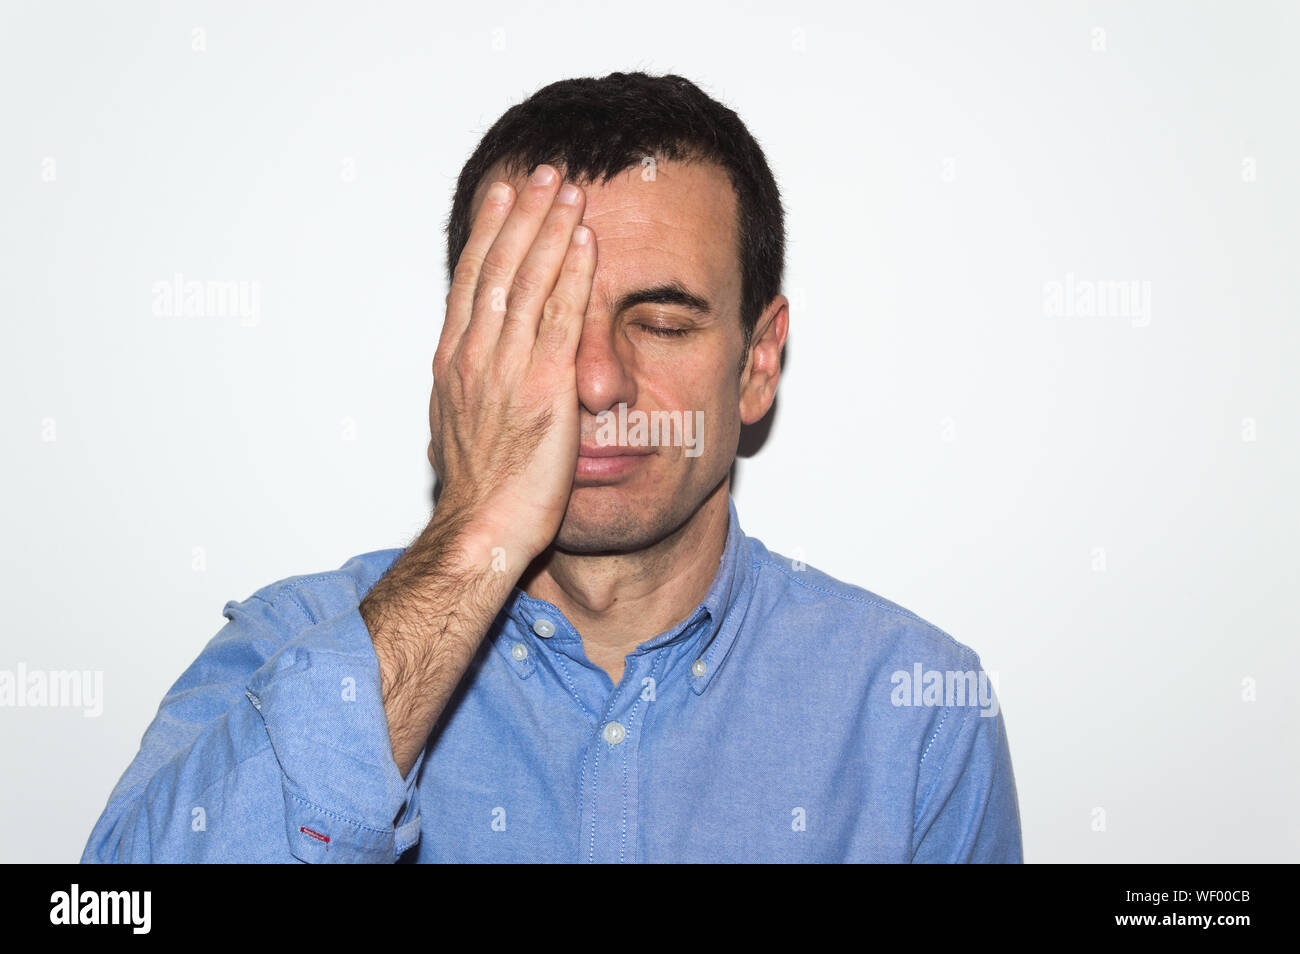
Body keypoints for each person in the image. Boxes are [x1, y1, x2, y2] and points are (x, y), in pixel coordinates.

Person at [83, 72, 1022, 863]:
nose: (600, 379)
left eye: (660, 322)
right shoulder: (297, 647)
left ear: (759, 360)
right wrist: (476, 535)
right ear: (463, 348)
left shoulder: (914, 711)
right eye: (541, 322)